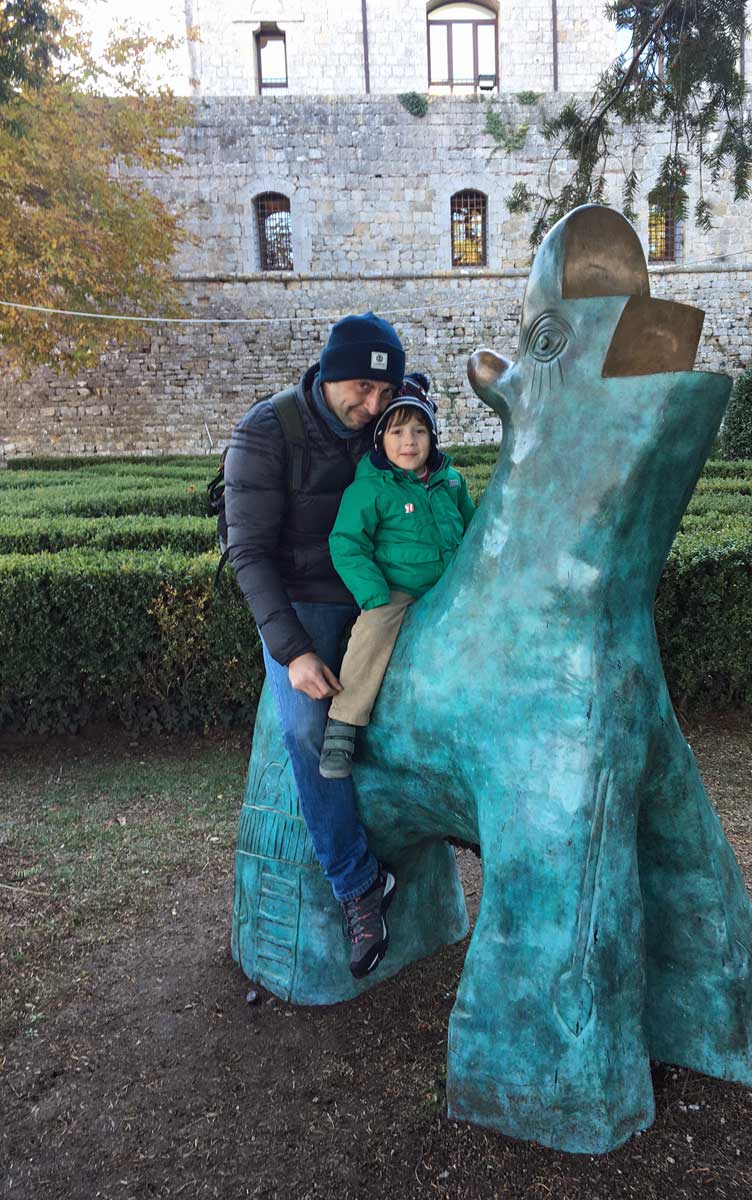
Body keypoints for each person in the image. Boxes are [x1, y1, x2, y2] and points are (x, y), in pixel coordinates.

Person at [224, 311, 406, 980]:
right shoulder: (266, 431)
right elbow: (247, 553)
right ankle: (358, 885)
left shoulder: (387, 420)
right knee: (306, 729)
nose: (374, 407)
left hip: (377, 594)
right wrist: (295, 652)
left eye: (385, 393)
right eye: (362, 389)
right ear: (329, 376)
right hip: (304, 602)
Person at [320, 376, 475, 778]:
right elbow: (346, 542)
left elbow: (474, 532)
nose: (410, 441)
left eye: (419, 431)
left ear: (432, 437)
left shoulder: (451, 482)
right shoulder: (371, 489)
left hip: (451, 587)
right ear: (381, 441)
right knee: (372, 631)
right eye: (398, 432)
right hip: (398, 590)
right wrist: (374, 593)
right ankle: (343, 723)